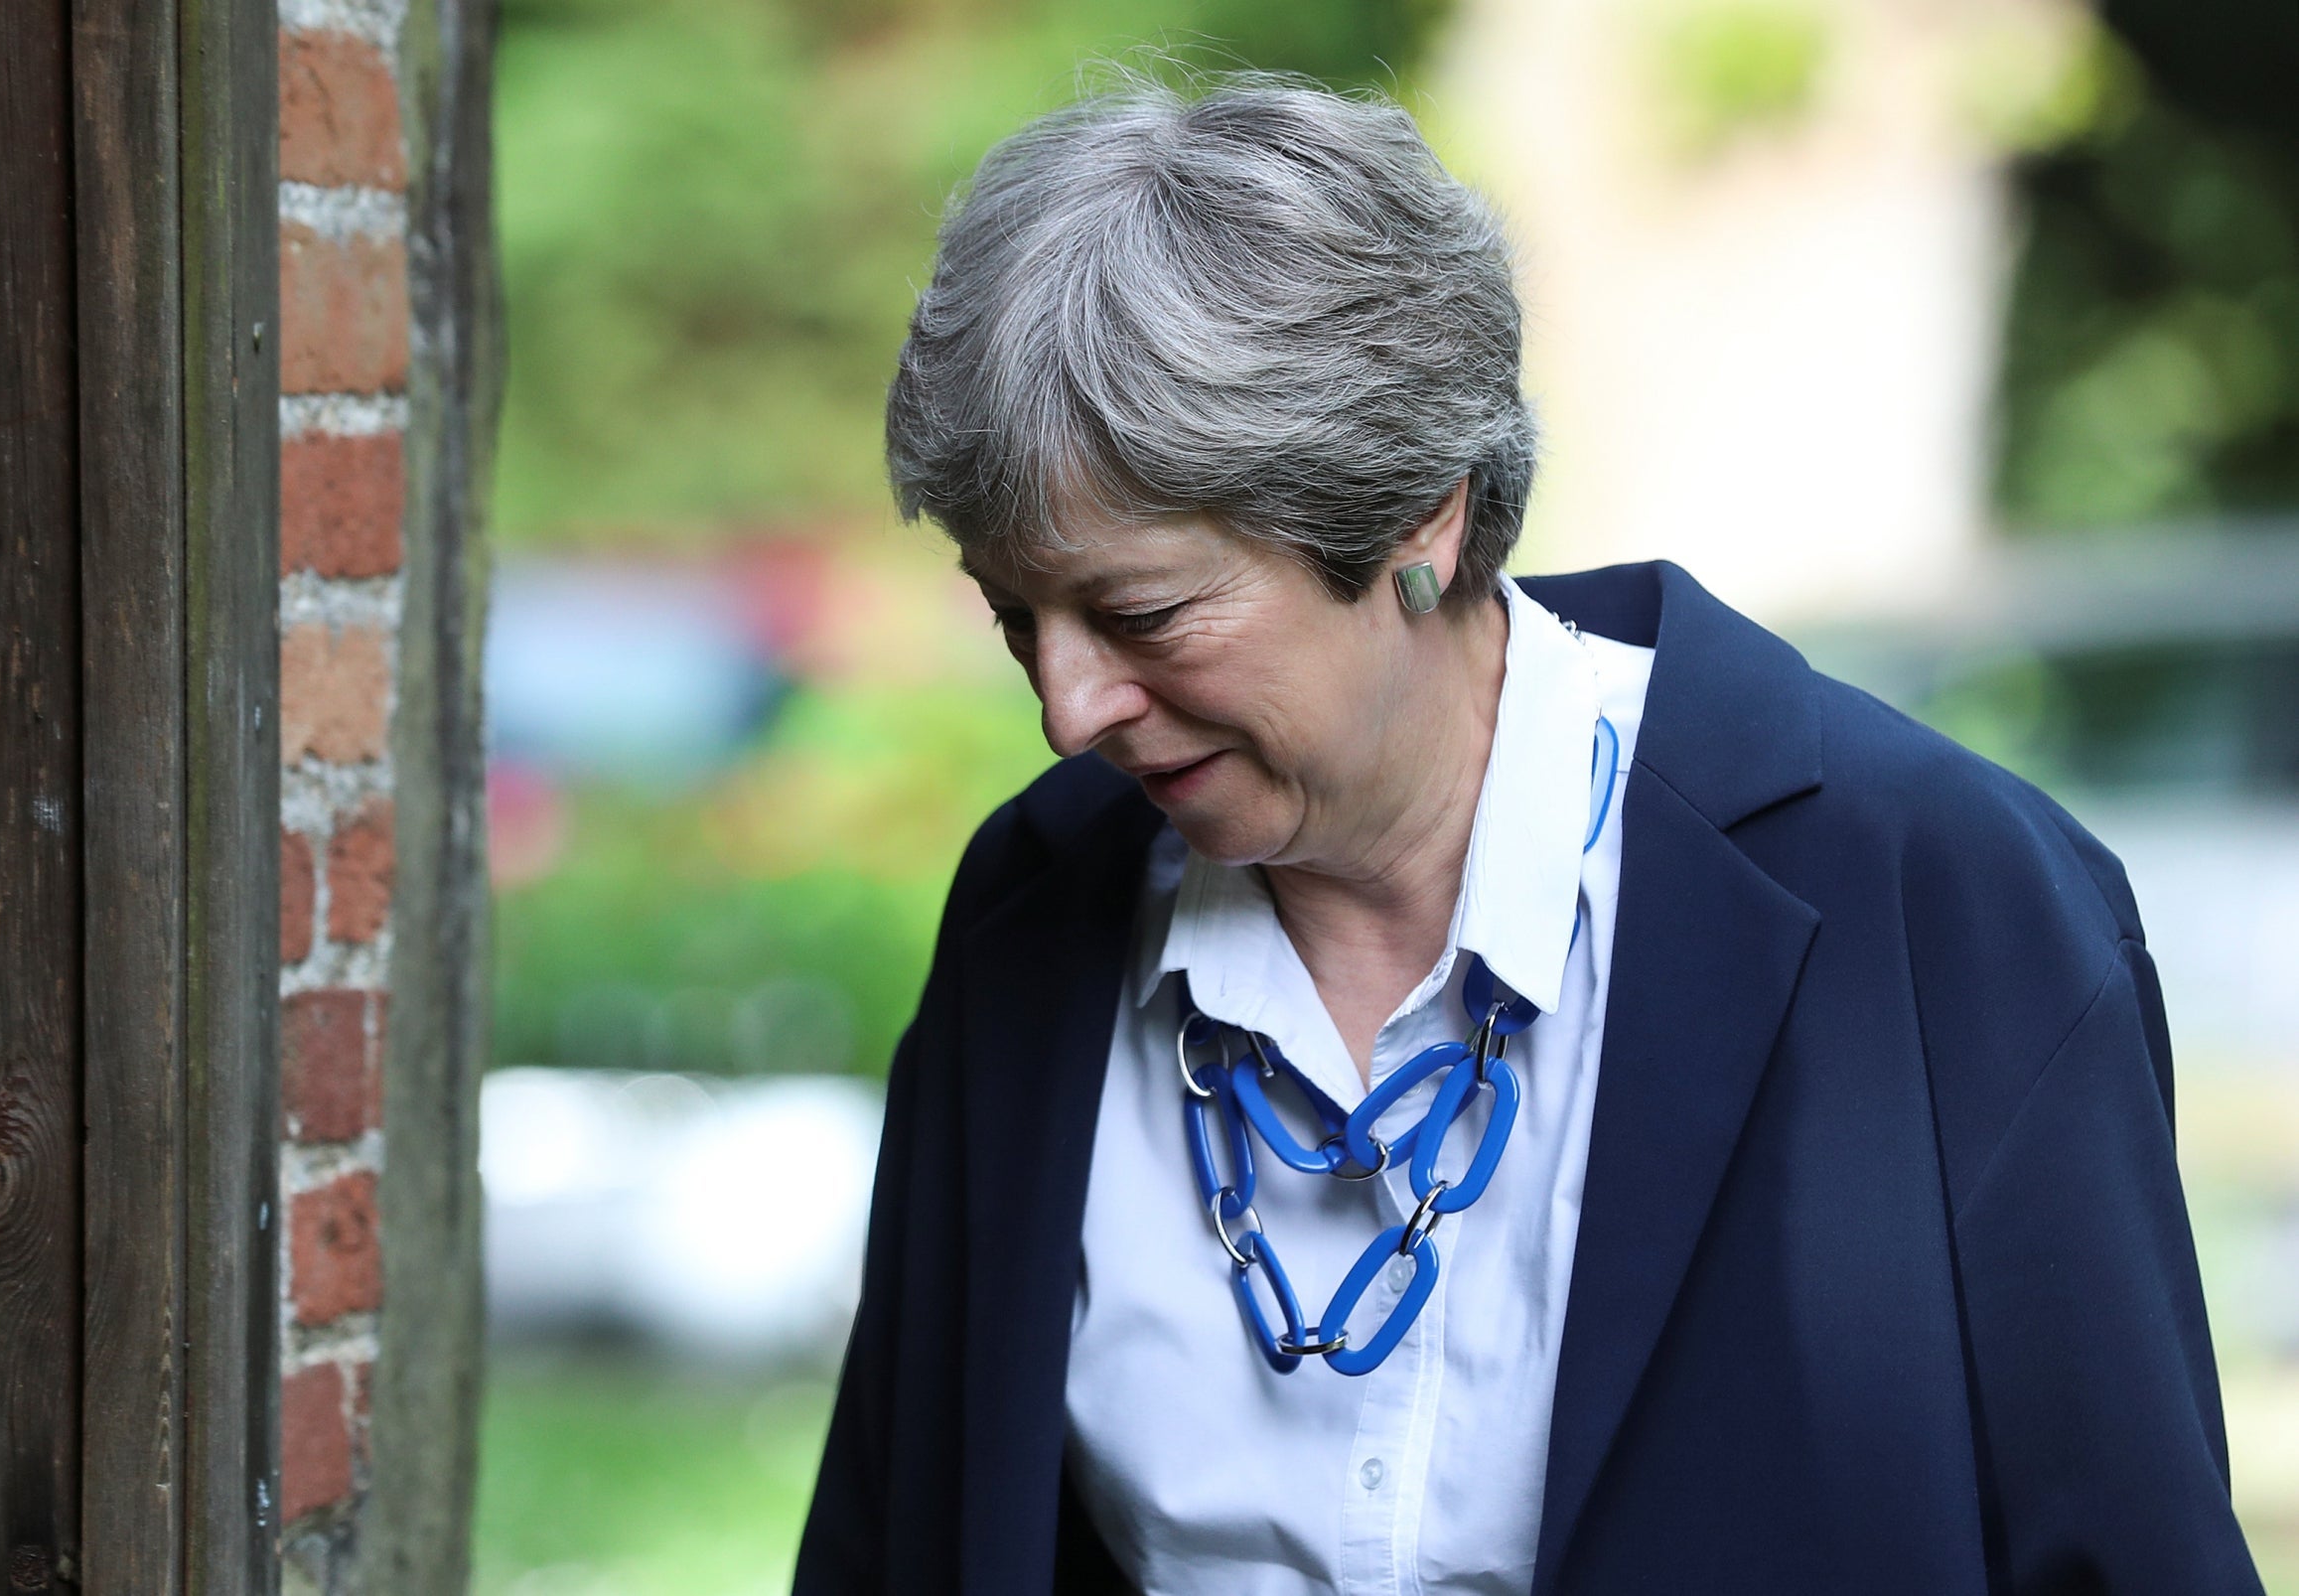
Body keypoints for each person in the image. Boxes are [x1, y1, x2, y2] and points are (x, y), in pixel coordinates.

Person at [791, 72, 2262, 1596]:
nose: (1068, 708)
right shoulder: (1033, 906)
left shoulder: (1946, 903)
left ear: (1420, 515)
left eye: (1142, 611)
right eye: (1013, 616)